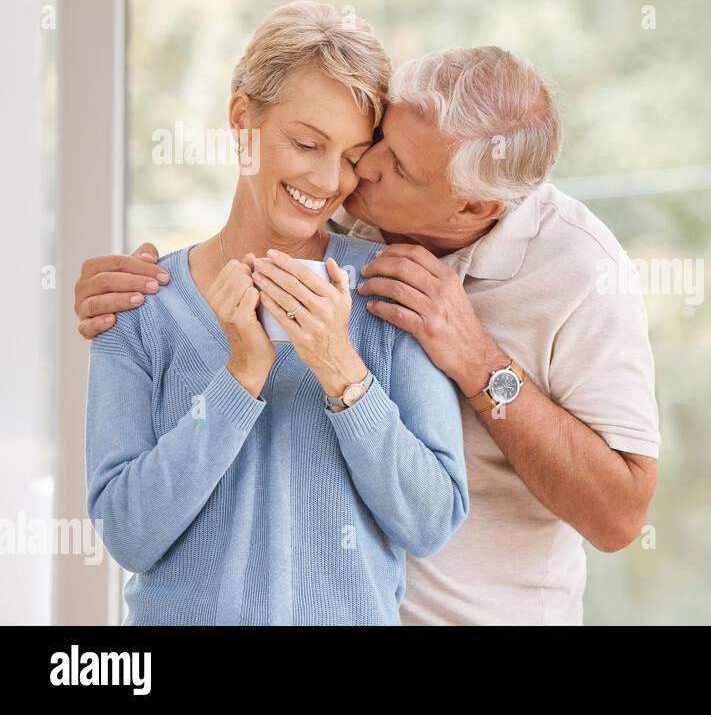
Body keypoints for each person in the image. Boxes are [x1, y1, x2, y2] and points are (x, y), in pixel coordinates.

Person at [77, 44, 659, 626]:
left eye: (393, 165)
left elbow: (617, 518)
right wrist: (128, 293)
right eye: (375, 140)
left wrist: (477, 360)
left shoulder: (583, 271)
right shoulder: (348, 210)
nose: (357, 172)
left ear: (473, 207)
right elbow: (263, 213)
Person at [82, 1, 468, 625]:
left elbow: (430, 522)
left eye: (351, 155)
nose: (326, 179)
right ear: (242, 119)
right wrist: (239, 379)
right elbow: (128, 534)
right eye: (306, 142)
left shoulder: (390, 291)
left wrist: (343, 371)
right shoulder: (139, 310)